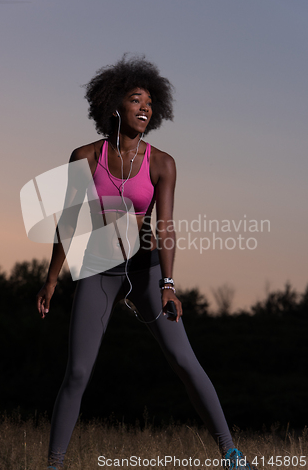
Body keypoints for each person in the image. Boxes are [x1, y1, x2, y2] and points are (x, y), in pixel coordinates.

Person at [36, 55, 255, 470]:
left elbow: (165, 227)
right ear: (113, 105)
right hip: (99, 270)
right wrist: (50, 280)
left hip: (147, 268)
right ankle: (55, 464)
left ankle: (231, 453)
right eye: (136, 99)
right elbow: (68, 220)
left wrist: (169, 285)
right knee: (78, 372)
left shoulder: (161, 163)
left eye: (150, 103)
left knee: (183, 360)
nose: (145, 108)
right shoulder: (85, 156)